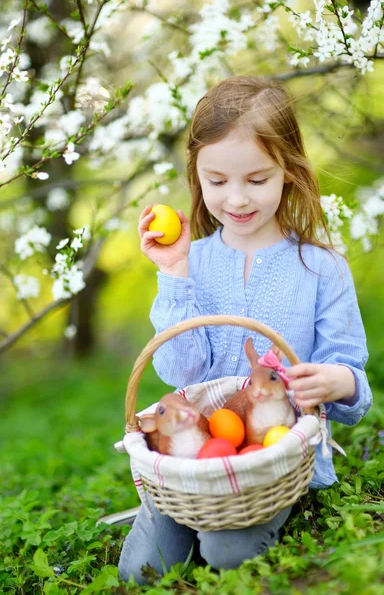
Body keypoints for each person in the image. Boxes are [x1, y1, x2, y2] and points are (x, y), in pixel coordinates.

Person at [118, 75, 372, 584]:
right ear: (197, 175)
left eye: (257, 180)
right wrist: (174, 273)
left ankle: (243, 521)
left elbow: (353, 380)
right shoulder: (193, 261)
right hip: (197, 454)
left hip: (274, 460)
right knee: (140, 572)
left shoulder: (322, 268)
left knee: (227, 552)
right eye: (217, 181)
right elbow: (178, 368)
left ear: (289, 172)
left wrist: (336, 381)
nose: (236, 199)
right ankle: (170, 508)